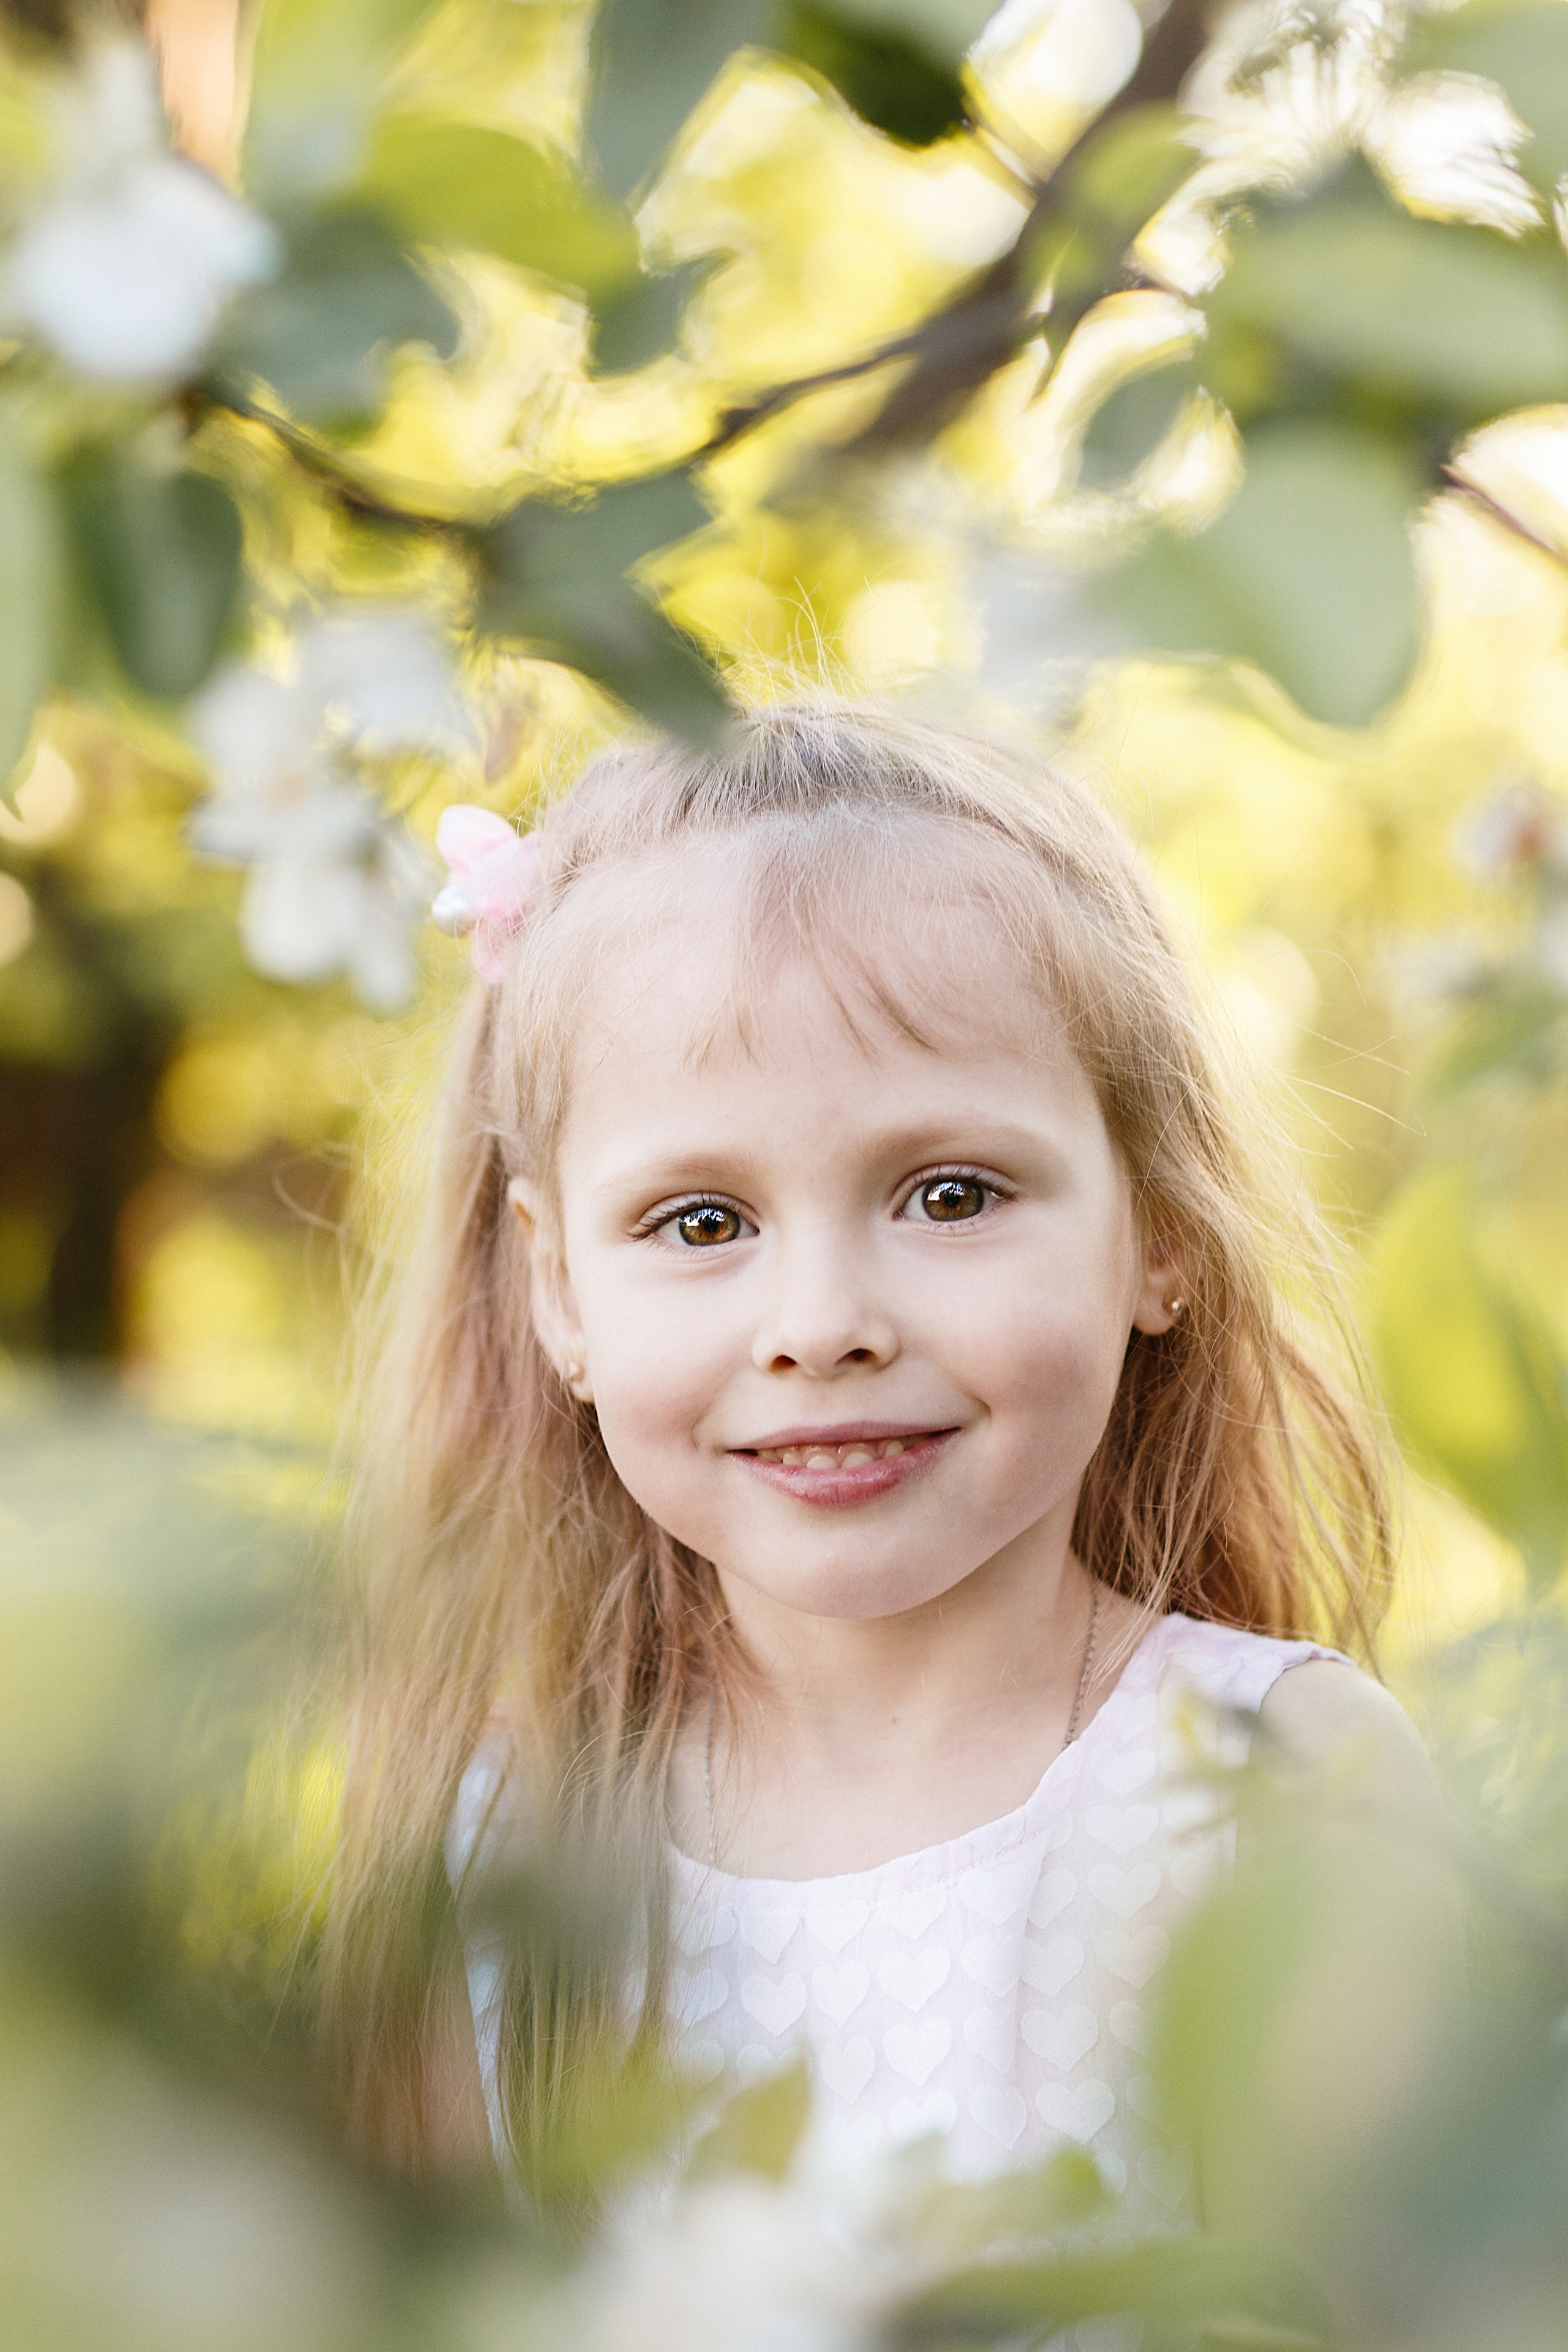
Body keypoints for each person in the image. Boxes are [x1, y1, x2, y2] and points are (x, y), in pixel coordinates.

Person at [321, 703, 1438, 2217]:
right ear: (559, 1294)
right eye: (700, 1223)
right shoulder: (510, 1852)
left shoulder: (1274, 1783)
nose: (824, 1325)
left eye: (950, 1194)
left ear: (1156, 1232)